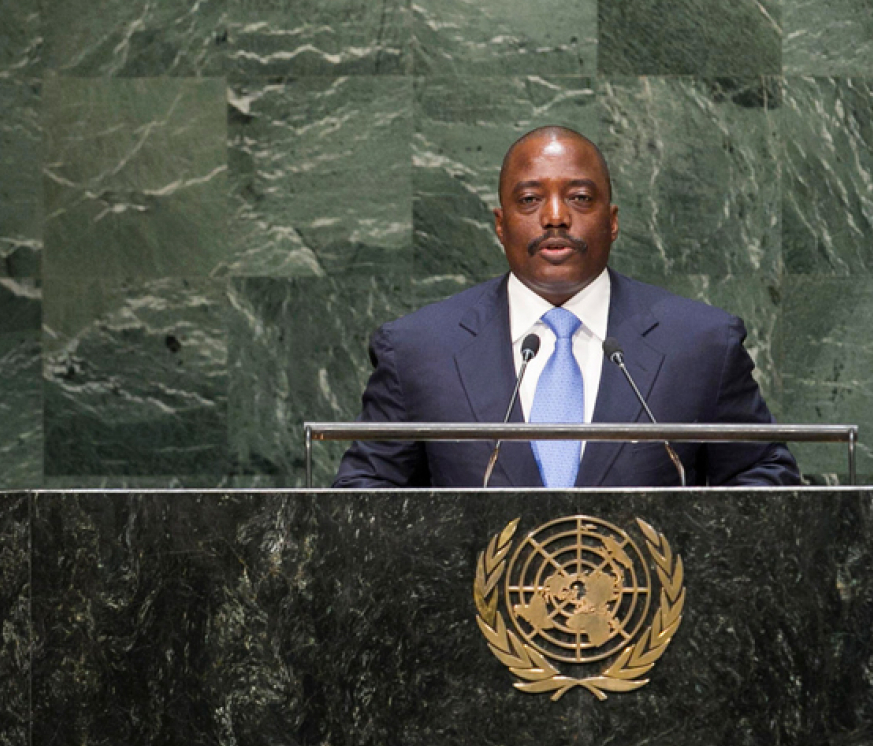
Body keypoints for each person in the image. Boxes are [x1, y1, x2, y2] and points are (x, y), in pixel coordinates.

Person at [333, 126, 799, 488]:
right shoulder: (418, 349)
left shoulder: (700, 344)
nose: (555, 216)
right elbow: (366, 495)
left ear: (612, 221)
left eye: (579, 197)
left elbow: (765, 482)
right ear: (500, 224)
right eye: (530, 199)